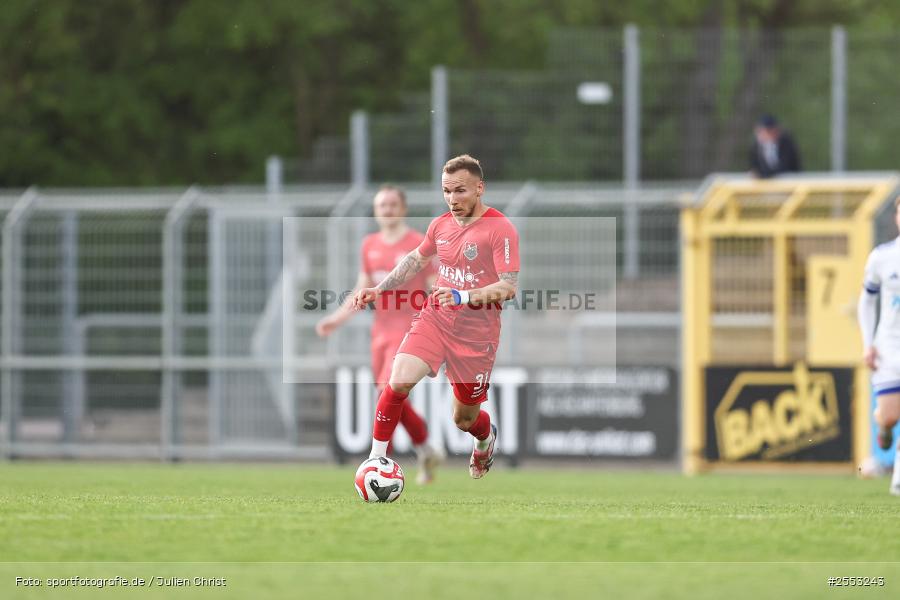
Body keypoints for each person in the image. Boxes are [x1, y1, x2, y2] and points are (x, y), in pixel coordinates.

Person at [353, 154, 520, 479]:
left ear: (479, 188)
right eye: (447, 191)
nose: (452, 199)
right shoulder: (440, 225)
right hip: (436, 319)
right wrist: (380, 289)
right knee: (396, 381)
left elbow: (508, 287)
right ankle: (375, 461)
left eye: (460, 191)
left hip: (477, 334)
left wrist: (463, 296)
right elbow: (415, 260)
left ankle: (485, 439)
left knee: (464, 420)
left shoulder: (500, 229)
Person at [316, 184, 443, 484]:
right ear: (376, 211)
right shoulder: (369, 245)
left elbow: (437, 286)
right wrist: (335, 320)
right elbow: (362, 290)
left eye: (392, 204)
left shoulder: (418, 244)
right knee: (392, 397)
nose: (387, 210)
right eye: (381, 205)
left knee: (387, 391)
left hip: (411, 330)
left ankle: (379, 461)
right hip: (381, 333)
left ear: (403, 209)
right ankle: (426, 449)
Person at [858, 196, 900, 496]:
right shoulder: (883, 257)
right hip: (889, 346)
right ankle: (884, 434)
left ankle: (897, 477)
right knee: (888, 417)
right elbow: (867, 300)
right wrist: (867, 343)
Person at [749, 114, 802, 178]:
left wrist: (762, 174)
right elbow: (755, 167)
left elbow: (785, 167)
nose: (760, 135)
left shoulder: (786, 143)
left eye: (763, 132)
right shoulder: (756, 146)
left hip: (788, 181)